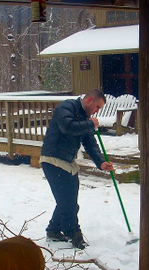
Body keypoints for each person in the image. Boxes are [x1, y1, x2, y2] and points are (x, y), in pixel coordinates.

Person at [40, 90, 114, 249]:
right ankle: (74, 235)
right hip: (52, 160)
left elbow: (90, 143)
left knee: (67, 201)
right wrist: (91, 124)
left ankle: (53, 230)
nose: (97, 111)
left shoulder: (85, 118)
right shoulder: (66, 107)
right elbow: (68, 127)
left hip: (67, 162)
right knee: (68, 204)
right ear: (89, 100)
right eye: (97, 107)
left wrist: (101, 162)